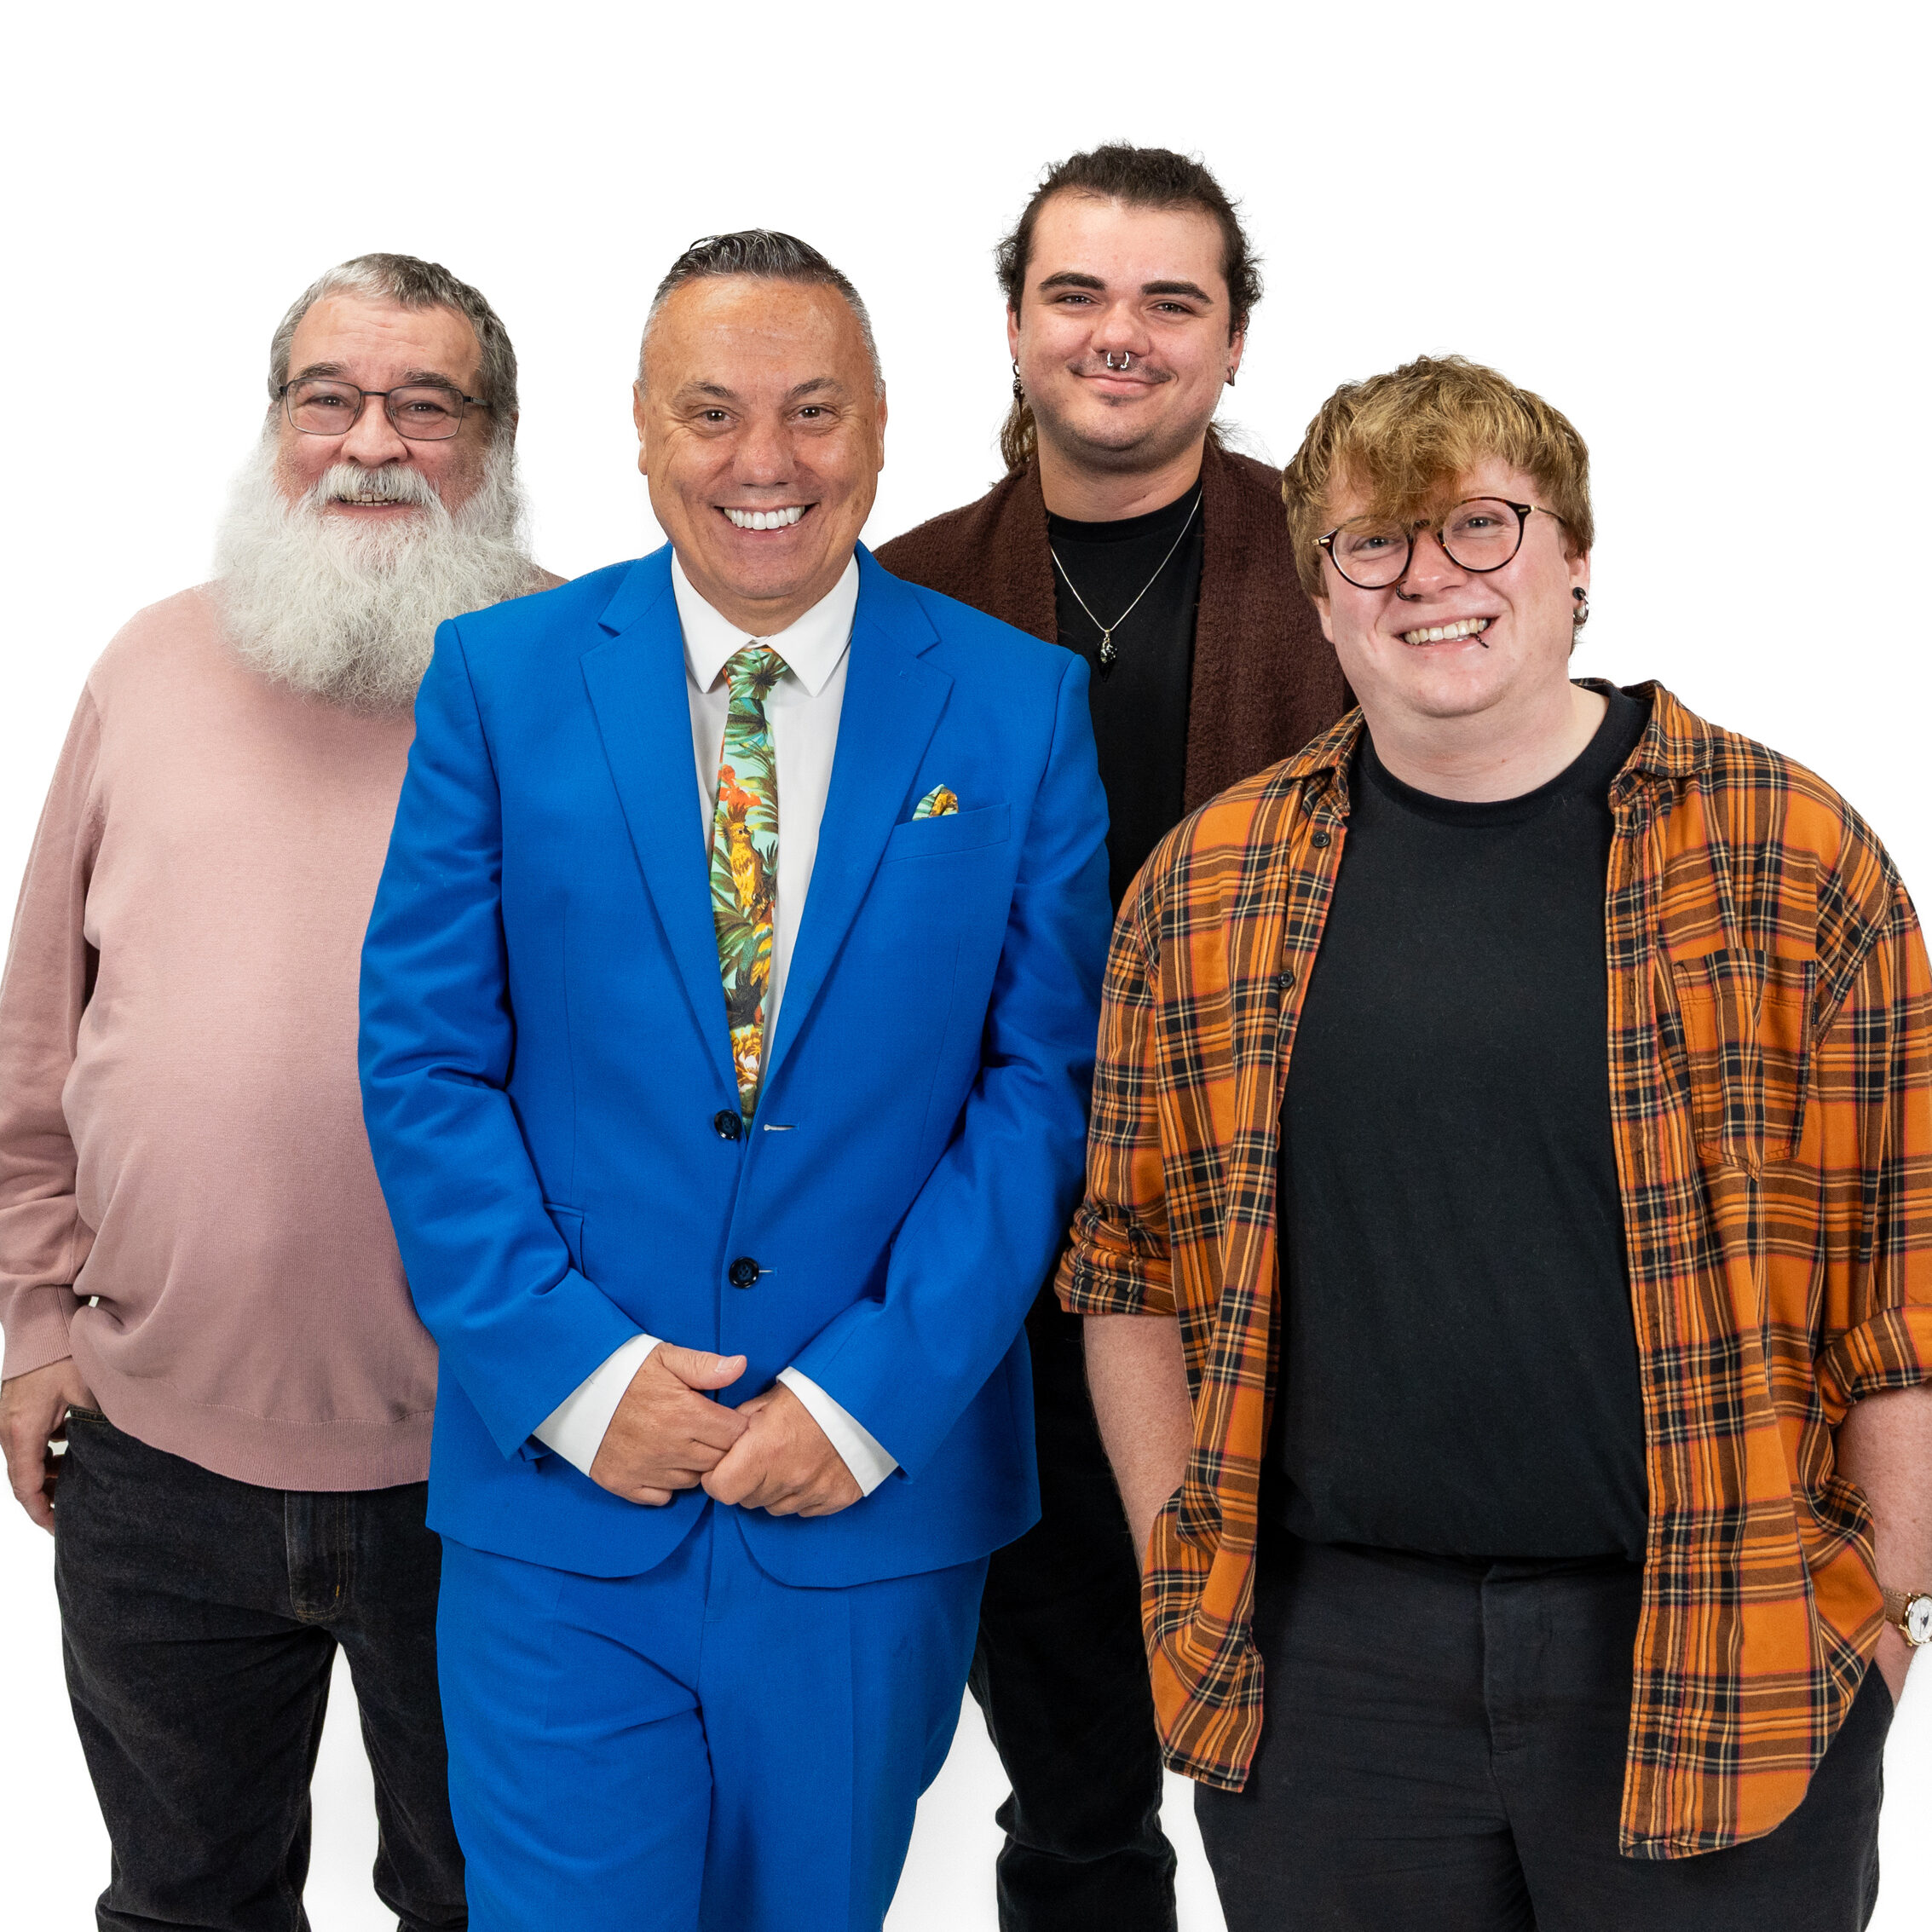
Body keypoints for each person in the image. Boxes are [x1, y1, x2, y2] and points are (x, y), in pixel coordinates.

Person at [1061, 353, 1932, 1930]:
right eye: (1370, 544)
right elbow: (1125, 1272)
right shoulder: (1205, 891)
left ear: (1576, 559)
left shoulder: (1789, 856)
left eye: (1481, 527)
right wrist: (1177, 1567)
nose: (1429, 581)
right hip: (1326, 1680)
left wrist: (1874, 1618)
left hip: (1721, 1638)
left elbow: (1908, 1270)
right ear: (1322, 600)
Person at [355, 229, 1113, 1932]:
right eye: (712, 412)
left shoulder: (1017, 706)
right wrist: (574, 1372)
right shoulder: (498, 680)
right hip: (561, 1499)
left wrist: (859, 1403)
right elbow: (423, 1058)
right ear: (637, 428)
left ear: (884, 426)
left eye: (813, 411)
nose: (765, 464)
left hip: (864, 1502)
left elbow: (1039, 1086)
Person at [0, 251, 550, 1930]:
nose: (369, 441)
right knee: (185, 1904)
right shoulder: (147, 670)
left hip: (499, 1463)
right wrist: (27, 1325)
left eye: (425, 404)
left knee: (494, 1902)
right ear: (275, 426)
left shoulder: (583, 682)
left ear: (495, 445)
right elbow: (38, 1041)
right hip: (156, 1458)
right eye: (330, 397)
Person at [877, 142, 1347, 1930]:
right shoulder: (902, 598)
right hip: (1005, 1294)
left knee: (1316, 1792)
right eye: (1077, 293)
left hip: (1294, 1294)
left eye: (1172, 300)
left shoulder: (1348, 572)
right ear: (1013, 327)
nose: (1119, 336)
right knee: (1078, 1808)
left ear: (1233, 344)